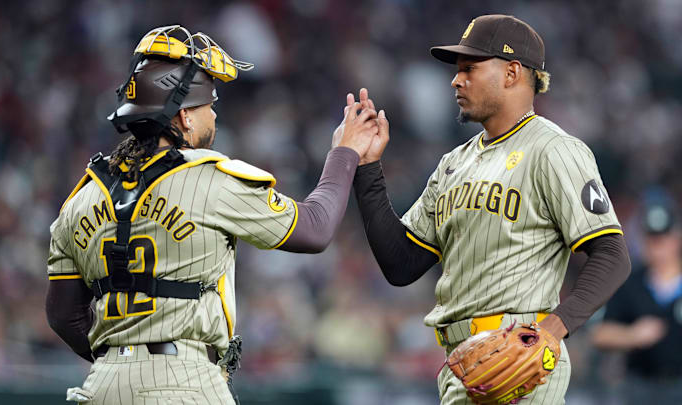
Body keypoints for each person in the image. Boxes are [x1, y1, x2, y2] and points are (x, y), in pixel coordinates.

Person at [45, 25, 378, 405]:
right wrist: (345, 152)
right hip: (184, 380)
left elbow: (63, 316)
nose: (214, 117)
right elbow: (316, 229)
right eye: (209, 106)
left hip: (101, 386)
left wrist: (122, 358)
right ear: (185, 116)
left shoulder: (80, 198)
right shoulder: (208, 180)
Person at [351, 15, 631, 404]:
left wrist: (553, 330)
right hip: (459, 364)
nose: (456, 80)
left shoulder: (554, 150)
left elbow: (612, 255)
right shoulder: (453, 163)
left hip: (520, 362)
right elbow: (401, 264)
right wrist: (367, 169)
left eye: (470, 68)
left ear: (513, 72)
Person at [592, 201, 682, 403]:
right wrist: (632, 335)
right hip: (641, 387)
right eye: (652, 240)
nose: (658, 248)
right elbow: (599, 334)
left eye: (663, 239)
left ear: (676, 239)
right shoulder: (631, 284)